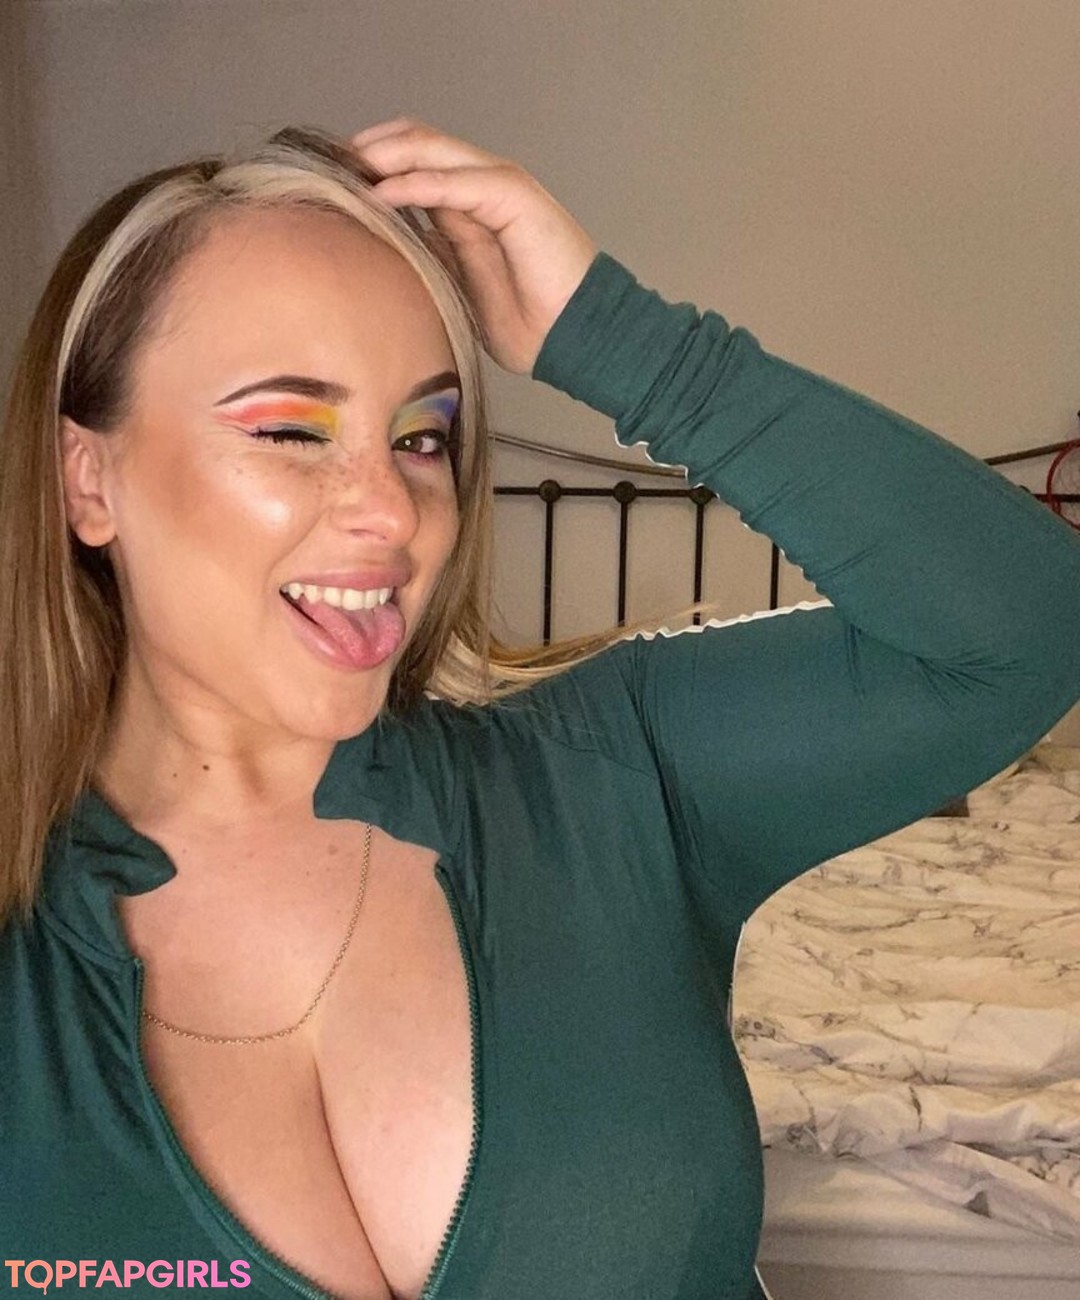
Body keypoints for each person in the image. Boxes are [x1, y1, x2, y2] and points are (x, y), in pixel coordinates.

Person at [0, 118, 1077, 1300]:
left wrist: (622, 341)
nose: (393, 512)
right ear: (87, 480)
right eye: (293, 431)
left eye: (422, 437)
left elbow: (1020, 633)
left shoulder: (608, 778)